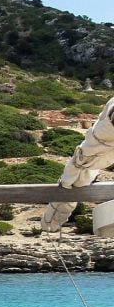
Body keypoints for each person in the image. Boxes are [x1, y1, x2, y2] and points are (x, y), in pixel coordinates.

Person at [42, 94, 114, 233]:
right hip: (95, 148)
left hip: (94, 149)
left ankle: (52, 220)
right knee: (76, 177)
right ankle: (52, 221)